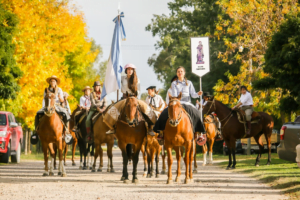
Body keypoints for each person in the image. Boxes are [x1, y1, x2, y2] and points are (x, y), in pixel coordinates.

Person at [154, 66, 205, 139]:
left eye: (181, 71)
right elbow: (174, 95)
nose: (180, 73)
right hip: (177, 102)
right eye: (178, 71)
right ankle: (161, 132)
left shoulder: (189, 83)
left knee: (197, 113)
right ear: (177, 73)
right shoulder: (174, 83)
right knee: (164, 113)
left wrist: (198, 94)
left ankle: (199, 132)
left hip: (187, 102)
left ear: (184, 73)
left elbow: (193, 94)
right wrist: (177, 100)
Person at [105, 63, 157, 136]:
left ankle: (150, 127)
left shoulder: (137, 79)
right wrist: (115, 73)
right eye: (128, 69)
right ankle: (112, 127)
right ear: (126, 70)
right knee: (114, 108)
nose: (130, 71)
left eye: (131, 69)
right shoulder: (122, 78)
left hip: (134, 97)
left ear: (133, 71)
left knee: (146, 109)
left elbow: (138, 89)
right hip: (125, 98)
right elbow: (115, 81)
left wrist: (135, 94)